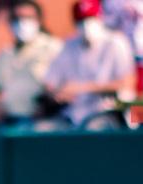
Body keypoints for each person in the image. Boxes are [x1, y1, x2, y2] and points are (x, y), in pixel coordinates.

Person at [43, 0, 137, 129]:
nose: (87, 25)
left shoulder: (116, 42)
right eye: (81, 21)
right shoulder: (69, 45)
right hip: (76, 114)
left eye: (90, 19)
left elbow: (127, 83)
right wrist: (59, 93)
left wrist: (81, 88)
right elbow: (51, 82)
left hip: (110, 111)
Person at [0, 0, 65, 125]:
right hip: (9, 120)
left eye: (27, 18)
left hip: (44, 119)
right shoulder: (4, 54)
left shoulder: (53, 48)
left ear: (38, 20)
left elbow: (64, 88)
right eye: (17, 18)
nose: (22, 23)